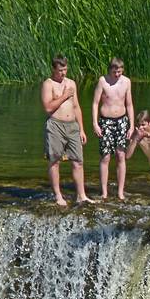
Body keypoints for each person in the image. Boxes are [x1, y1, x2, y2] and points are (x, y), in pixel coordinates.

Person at [40, 55, 94, 206]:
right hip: (55, 125)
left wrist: (82, 129)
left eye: (65, 70)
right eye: (60, 70)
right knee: (54, 160)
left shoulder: (71, 83)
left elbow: (76, 107)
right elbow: (48, 107)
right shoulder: (48, 84)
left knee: (78, 161)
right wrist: (64, 96)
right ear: (53, 69)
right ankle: (58, 196)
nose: (63, 73)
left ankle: (81, 195)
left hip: (72, 126)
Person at [92, 57, 135, 201]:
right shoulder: (102, 81)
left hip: (122, 120)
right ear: (110, 69)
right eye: (115, 72)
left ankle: (120, 192)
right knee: (105, 157)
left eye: (120, 72)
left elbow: (129, 104)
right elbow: (95, 103)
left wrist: (132, 125)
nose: (117, 75)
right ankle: (104, 192)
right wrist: (95, 123)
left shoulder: (126, 82)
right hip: (105, 121)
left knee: (121, 156)